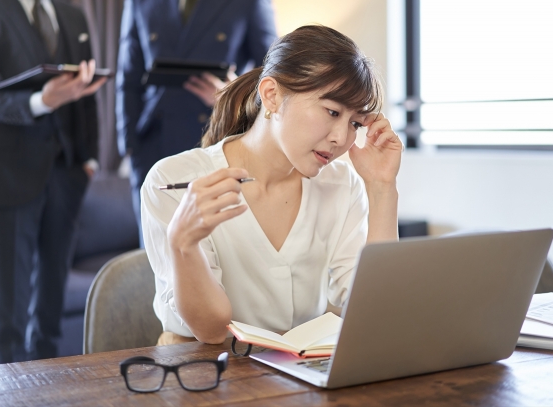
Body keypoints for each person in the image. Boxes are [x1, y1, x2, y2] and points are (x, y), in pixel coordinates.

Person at [141, 25, 402, 345]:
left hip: (299, 374)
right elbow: (211, 331)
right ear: (272, 95)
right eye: (332, 111)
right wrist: (183, 243)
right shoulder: (172, 181)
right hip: (204, 370)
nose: (341, 138)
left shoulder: (342, 185)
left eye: (355, 123)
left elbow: (376, 310)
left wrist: (381, 187)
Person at [0, 0, 107, 364]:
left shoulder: (72, 13)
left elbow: (87, 98)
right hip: (5, 175)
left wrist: (90, 162)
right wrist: (41, 101)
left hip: (67, 175)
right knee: (7, 323)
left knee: (49, 319)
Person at [116, 0, 278, 246]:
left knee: (214, 249)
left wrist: (231, 95)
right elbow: (128, 79)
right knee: (154, 250)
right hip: (152, 145)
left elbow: (273, 75)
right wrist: (129, 145)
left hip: (217, 141)